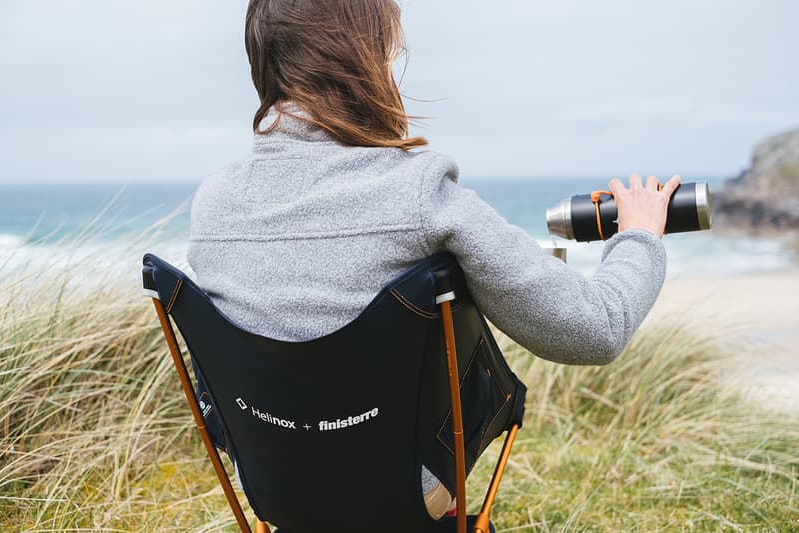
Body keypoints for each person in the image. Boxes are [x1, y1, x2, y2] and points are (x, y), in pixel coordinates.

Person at [187, 0, 681, 520]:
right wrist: (640, 235)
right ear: (367, 56)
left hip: (272, 485)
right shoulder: (416, 193)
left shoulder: (213, 202)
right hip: (408, 490)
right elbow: (594, 328)